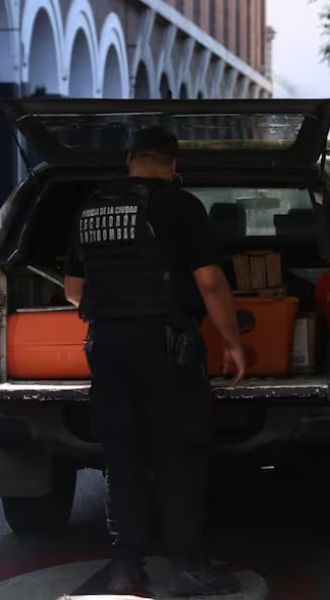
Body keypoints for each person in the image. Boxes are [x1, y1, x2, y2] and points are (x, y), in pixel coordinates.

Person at [63, 127, 246, 596]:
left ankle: (127, 565)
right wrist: (232, 343)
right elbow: (209, 283)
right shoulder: (178, 206)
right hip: (165, 349)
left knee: (122, 456)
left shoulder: (89, 208)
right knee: (177, 454)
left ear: (129, 159)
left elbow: (73, 291)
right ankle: (186, 565)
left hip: (106, 348)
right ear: (174, 163)